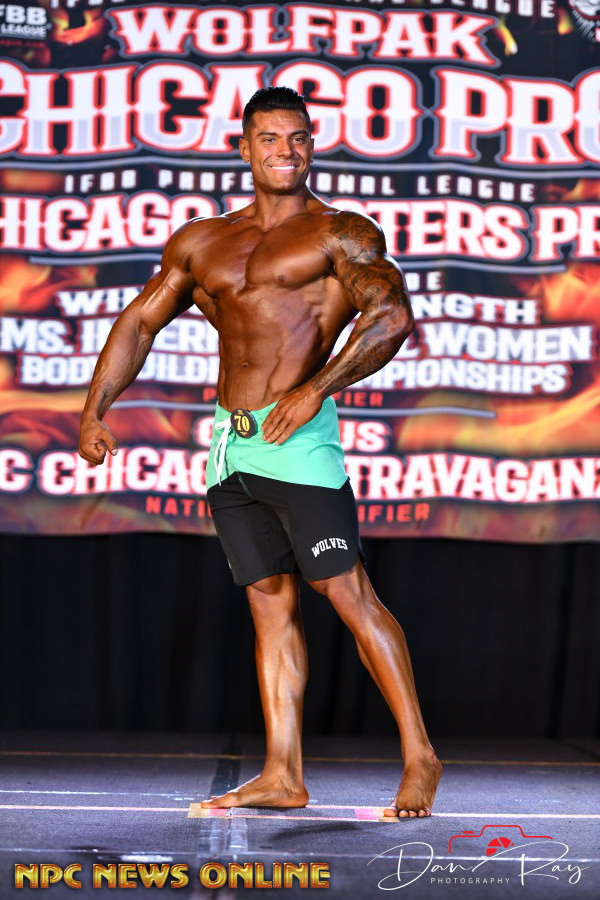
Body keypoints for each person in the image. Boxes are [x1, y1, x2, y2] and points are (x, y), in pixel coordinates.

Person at [79, 86, 442, 818]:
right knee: (269, 606)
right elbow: (141, 321)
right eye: (270, 138)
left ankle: (420, 756)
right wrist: (95, 408)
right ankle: (282, 773)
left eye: (298, 138)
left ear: (312, 146)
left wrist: (316, 389)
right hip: (230, 447)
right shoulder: (202, 241)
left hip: (298, 439)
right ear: (243, 148)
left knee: (347, 593)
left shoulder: (339, 233)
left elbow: (391, 315)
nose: (286, 151)